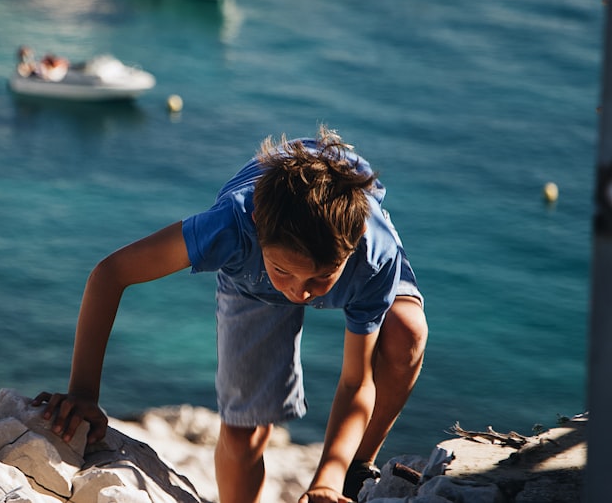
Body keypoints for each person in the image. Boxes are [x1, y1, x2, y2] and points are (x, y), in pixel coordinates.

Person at [34, 126, 428, 503]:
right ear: (257, 225)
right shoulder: (231, 227)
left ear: (355, 239)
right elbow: (111, 274)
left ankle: (356, 467)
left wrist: (330, 472)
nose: (300, 292)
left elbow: (356, 383)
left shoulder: (374, 256)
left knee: (406, 332)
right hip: (252, 283)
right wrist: (84, 393)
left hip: (329, 253)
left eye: (321, 278)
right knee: (244, 435)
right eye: (286, 272)